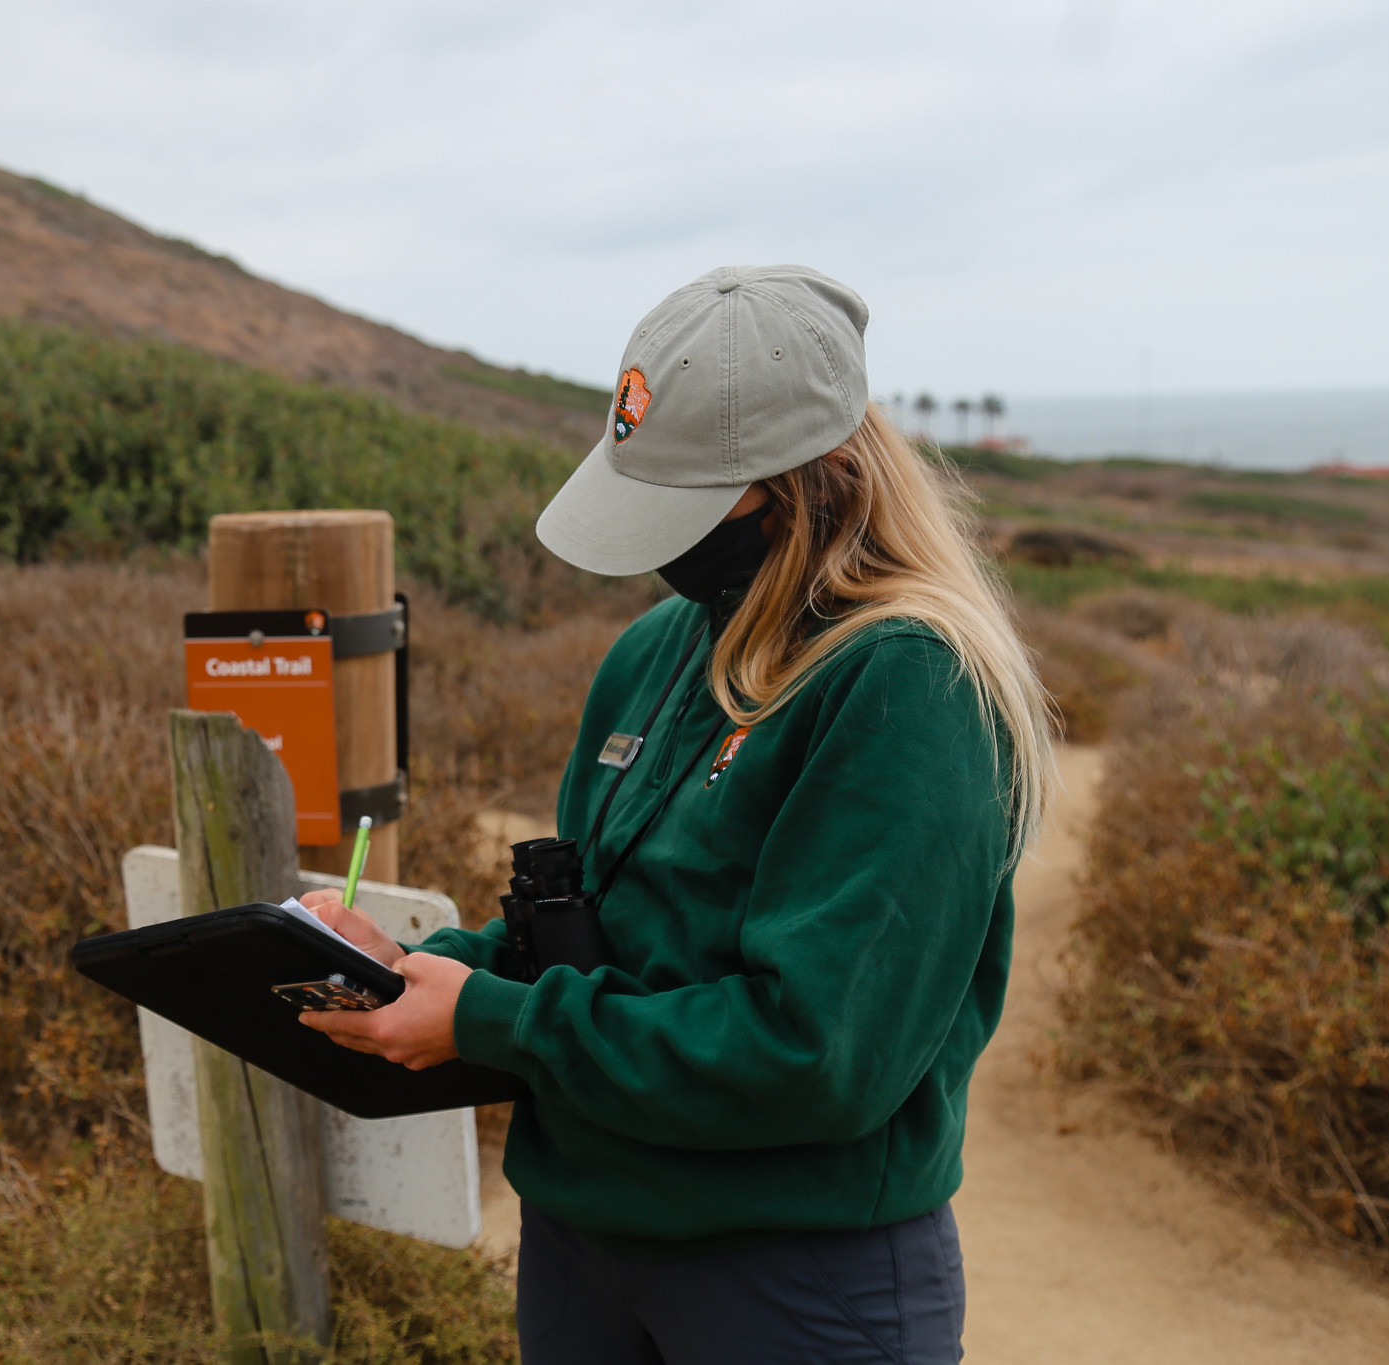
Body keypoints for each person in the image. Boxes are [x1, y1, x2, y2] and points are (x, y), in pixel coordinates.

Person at [300, 264, 1056, 1364]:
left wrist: (492, 1021)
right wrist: (416, 972)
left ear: (811, 482)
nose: (661, 545)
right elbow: (593, 934)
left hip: (789, 1278)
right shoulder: (658, 651)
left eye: (693, 503)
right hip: (582, 1247)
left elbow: (816, 1054)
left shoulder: (905, 686)